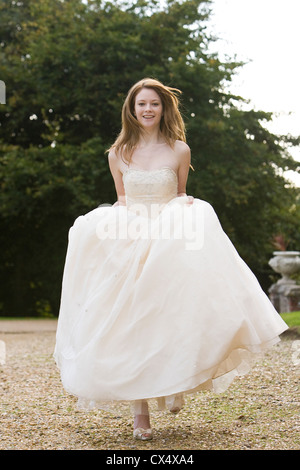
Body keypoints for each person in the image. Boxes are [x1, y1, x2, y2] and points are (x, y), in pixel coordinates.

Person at [54, 78, 288, 441]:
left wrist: (186, 206)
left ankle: (176, 380)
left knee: (170, 315)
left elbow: (179, 194)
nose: (147, 110)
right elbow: (122, 200)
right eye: (141, 104)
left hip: (169, 238)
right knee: (130, 323)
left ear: (164, 108)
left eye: (154, 104)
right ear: (131, 110)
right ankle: (140, 413)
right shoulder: (118, 153)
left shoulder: (180, 149)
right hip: (131, 240)